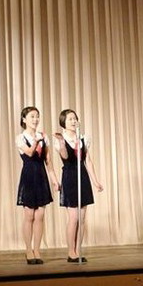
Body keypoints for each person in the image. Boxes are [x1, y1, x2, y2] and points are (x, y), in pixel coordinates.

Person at [54, 109, 103, 263]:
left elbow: (88, 160)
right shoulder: (60, 139)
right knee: (73, 217)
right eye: (70, 119)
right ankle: (71, 252)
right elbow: (65, 156)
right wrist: (62, 143)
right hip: (69, 177)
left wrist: (95, 181)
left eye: (74, 118)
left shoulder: (83, 138)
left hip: (83, 176)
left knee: (82, 219)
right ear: (63, 122)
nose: (73, 121)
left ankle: (78, 250)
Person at [16, 106, 59, 264]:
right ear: (24, 119)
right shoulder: (20, 138)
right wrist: (36, 140)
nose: (35, 119)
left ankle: (37, 250)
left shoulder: (43, 137)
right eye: (32, 116)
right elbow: (29, 152)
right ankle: (28, 250)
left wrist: (54, 180)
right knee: (29, 215)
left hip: (41, 176)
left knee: (40, 215)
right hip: (28, 176)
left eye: (37, 116)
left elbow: (48, 161)